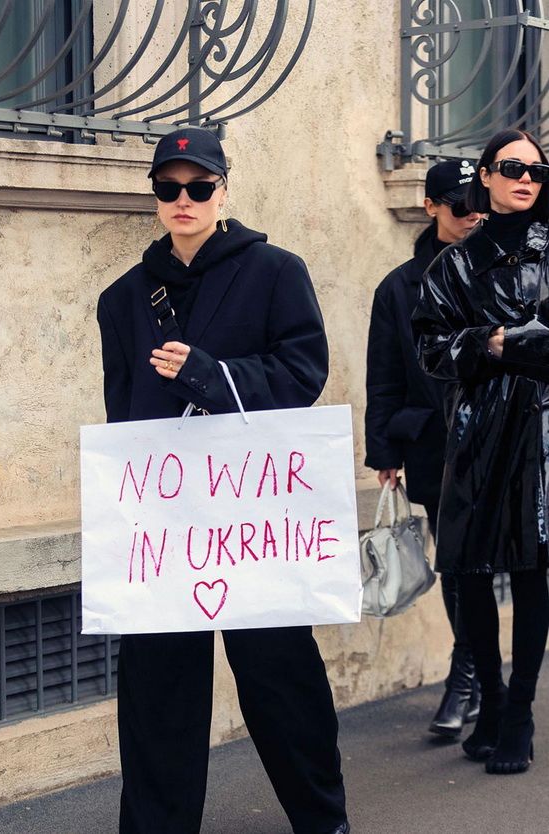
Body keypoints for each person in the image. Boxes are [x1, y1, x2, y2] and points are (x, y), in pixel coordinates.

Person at [96, 127, 350, 833]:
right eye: (169, 187)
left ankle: (322, 819)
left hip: (253, 515)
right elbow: (124, 414)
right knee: (157, 691)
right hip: (166, 526)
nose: (184, 199)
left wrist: (211, 376)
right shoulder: (121, 301)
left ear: (223, 192)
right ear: (154, 198)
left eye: (199, 186)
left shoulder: (275, 271)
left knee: (280, 680)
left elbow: (303, 373)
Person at [412, 128, 549, 775]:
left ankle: (518, 714)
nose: (527, 178)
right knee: (467, 570)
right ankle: (490, 700)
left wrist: (512, 344)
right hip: (476, 431)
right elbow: (430, 349)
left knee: (531, 570)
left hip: (544, 430)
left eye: (537, 170)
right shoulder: (454, 267)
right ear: (486, 178)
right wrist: (487, 345)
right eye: (513, 167)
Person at [365, 160, 483, 738]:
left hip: (502, 439)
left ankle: (473, 677)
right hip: (434, 446)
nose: (473, 216)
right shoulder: (398, 287)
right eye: (460, 206)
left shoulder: (504, 270)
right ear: (432, 206)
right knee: (456, 561)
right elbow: (384, 373)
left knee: (496, 558)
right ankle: (470, 675)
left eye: (478, 205)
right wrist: (384, 449)